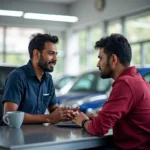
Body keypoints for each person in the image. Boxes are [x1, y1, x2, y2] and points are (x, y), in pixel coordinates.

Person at [73, 33, 150, 149]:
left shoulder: (125, 84)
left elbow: (99, 129)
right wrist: (99, 118)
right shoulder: (138, 80)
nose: (97, 64)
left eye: (100, 58)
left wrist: (83, 121)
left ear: (113, 59)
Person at [3, 33, 77, 124]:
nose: (55, 59)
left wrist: (69, 114)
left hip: (39, 134)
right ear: (36, 54)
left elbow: (53, 109)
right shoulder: (17, 76)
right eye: (51, 53)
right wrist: (49, 118)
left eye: (56, 54)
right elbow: (9, 116)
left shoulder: (48, 78)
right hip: (14, 135)